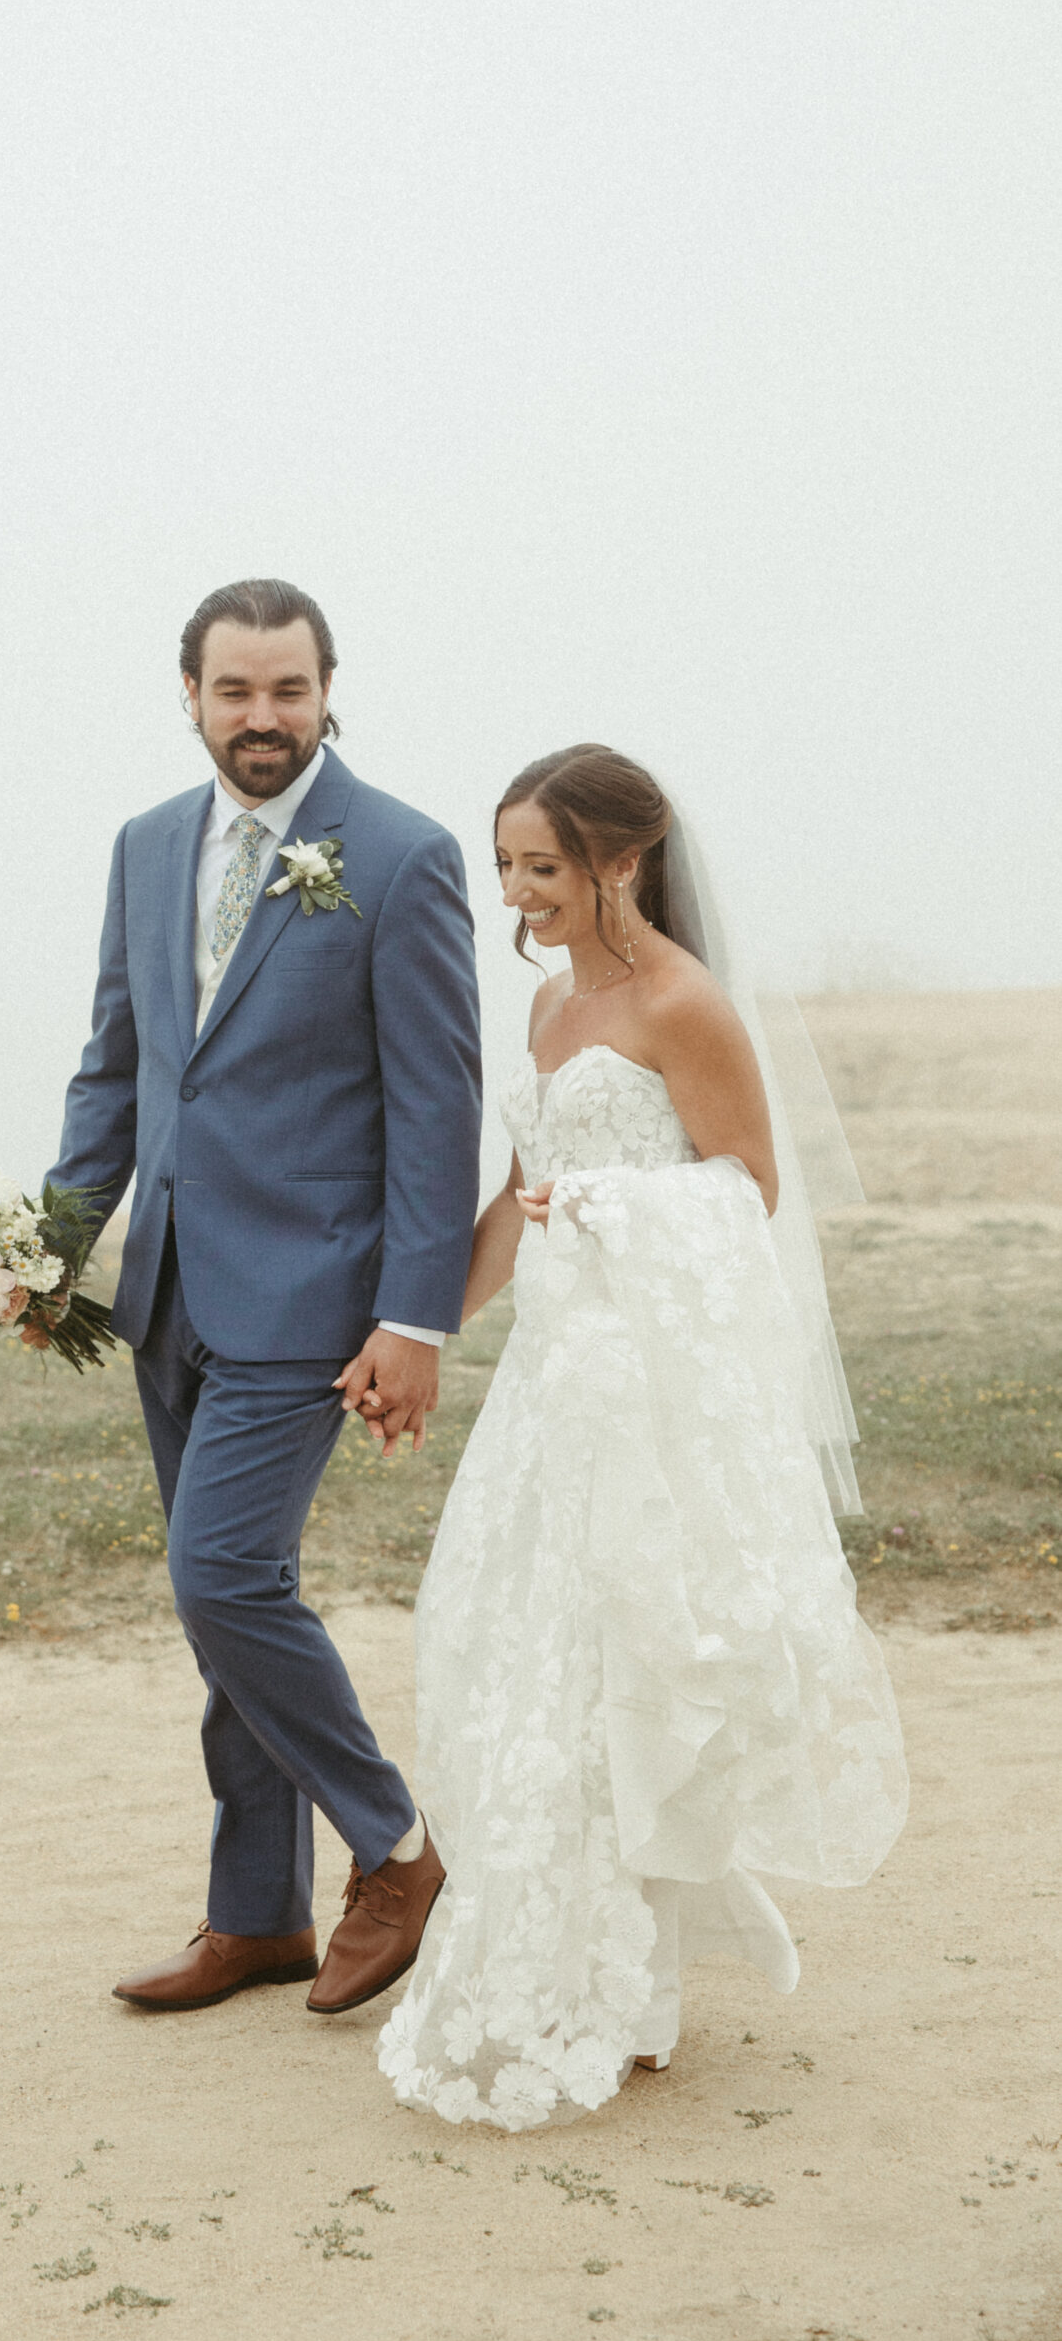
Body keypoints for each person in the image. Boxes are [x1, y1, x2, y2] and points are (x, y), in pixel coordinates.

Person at [376, 743, 908, 2132]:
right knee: (511, 1654)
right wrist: (422, 1332)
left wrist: (618, 1208)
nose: (519, 892)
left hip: (651, 1401)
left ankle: (628, 1983)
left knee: (625, 1671)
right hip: (556, 1392)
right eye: (507, 866)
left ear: (622, 858)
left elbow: (749, 1196)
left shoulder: (687, 1007)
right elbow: (519, 1197)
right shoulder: (551, 1009)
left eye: (540, 866)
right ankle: (564, 1955)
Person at [46, 578, 482, 2015]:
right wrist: (49, 1254)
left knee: (221, 1575)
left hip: (312, 1297)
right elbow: (119, 1066)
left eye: (287, 691)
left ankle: (398, 1848)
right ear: (191, 695)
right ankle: (255, 1918)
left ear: (328, 687)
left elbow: (436, 1110)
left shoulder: (403, 857)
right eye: (235, 692)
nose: (262, 719)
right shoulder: (145, 847)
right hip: (165, 1294)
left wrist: (413, 1320)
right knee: (225, 1610)